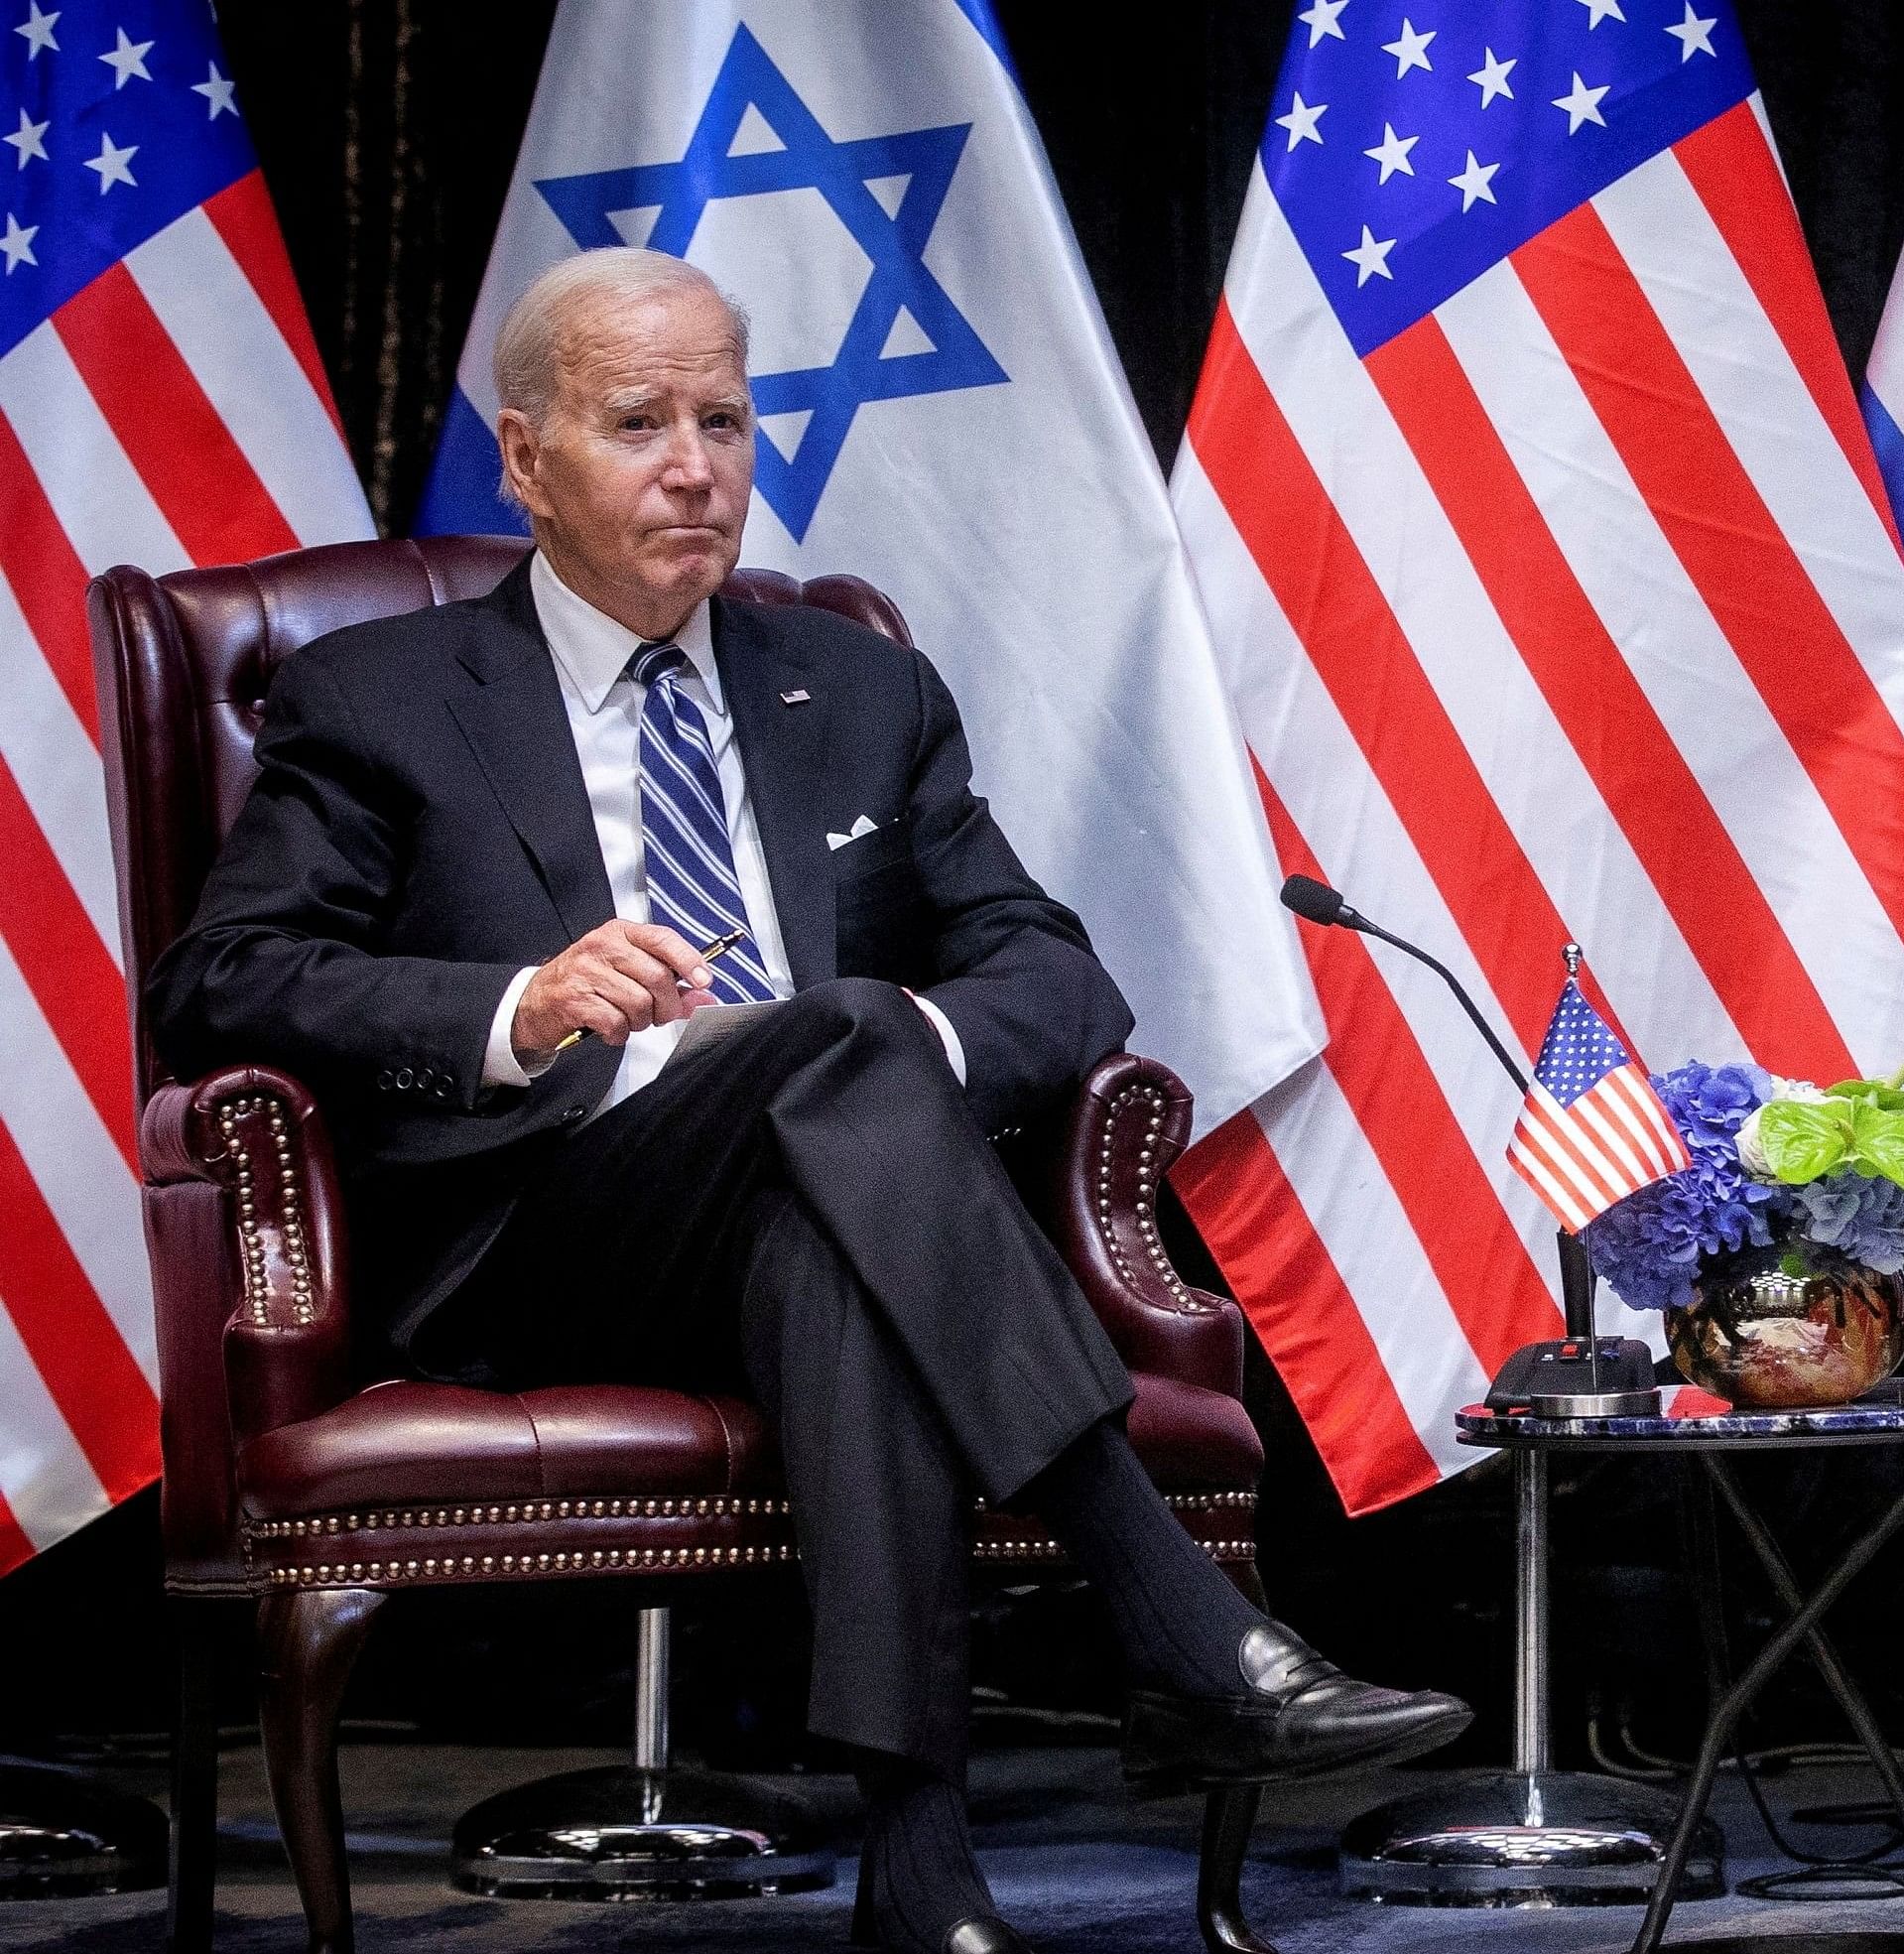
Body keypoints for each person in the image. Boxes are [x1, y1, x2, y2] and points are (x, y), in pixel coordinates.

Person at [147, 247, 1467, 1954]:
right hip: (535, 1232)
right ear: (527, 455)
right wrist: (519, 1003)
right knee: (842, 1054)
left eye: (724, 416)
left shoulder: (855, 691)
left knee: (832, 1181)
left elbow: (1056, 973)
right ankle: (1170, 1616)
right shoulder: (381, 698)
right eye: (639, 422)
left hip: (814, 1206)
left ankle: (923, 1876)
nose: (696, 464)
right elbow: (219, 984)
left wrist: (884, 1049)